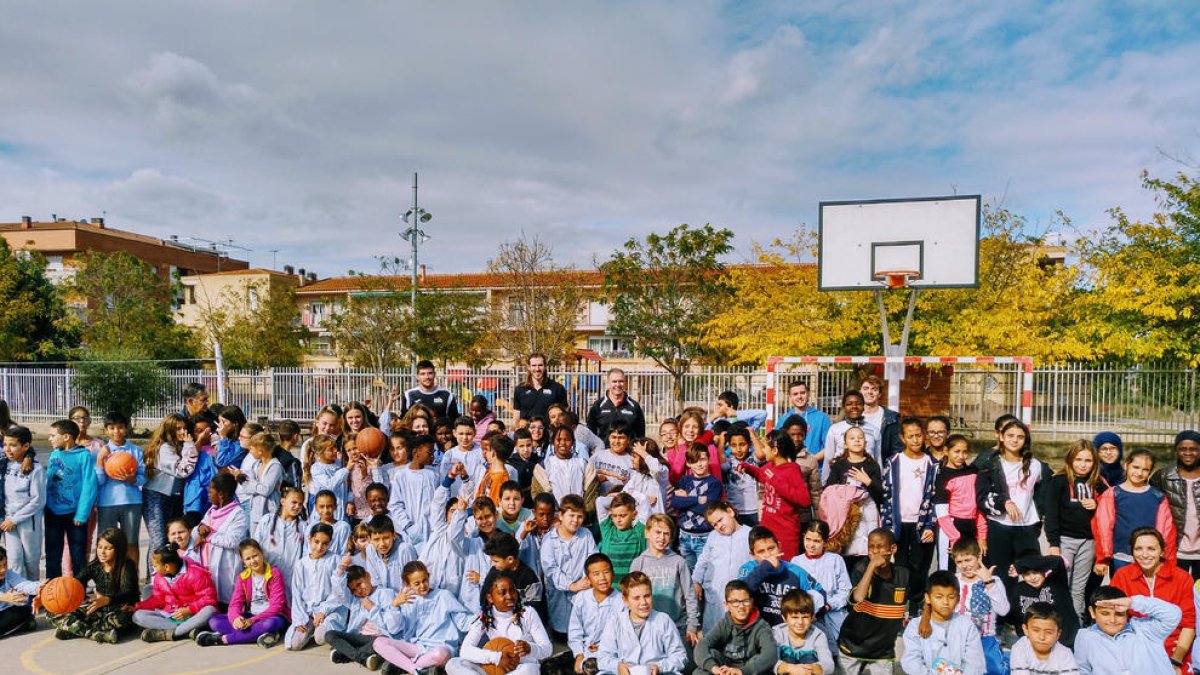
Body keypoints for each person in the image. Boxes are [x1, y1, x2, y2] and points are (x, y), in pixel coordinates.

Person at [976, 418, 1049, 618]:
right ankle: (1001, 620)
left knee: (1032, 574)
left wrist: (1038, 520)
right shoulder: (989, 464)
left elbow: (1043, 494)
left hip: (1026, 528)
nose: (1015, 440)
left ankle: (1029, 617)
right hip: (1000, 527)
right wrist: (1004, 503)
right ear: (1000, 436)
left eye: (1020, 437)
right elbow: (981, 498)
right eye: (1010, 436)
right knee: (1001, 576)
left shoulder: (1036, 466)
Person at [1111, 527, 1194, 670]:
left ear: (1161, 551)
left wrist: (1176, 661)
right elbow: (1115, 619)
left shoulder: (1182, 578)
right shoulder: (1122, 576)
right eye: (1138, 549)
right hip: (1135, 647)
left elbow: (1189, 623)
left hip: (1174, 648)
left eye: (1151, 549)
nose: (1144, 555)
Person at [1044, 439, 1105, 624]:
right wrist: (1054, 544)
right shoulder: (1059, 481)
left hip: (1088, 542)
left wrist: (1098, 504)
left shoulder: (1098, 483)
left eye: (1088, 460)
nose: (1083, 464)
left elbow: (1110, 509)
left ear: (1094, 462)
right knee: (1060, 584)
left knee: (1078, 588)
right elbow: (1051, 514)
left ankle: (1076, 625)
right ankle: (1056, 623)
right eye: (1078, 459)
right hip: (1064, 540)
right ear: (1070, 460)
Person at [880, 417, 936, 615]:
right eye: (910, 436)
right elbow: (886, 496)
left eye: (918, 435)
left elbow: (934, 496)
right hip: (899, 523)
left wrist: (930, 525)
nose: (915, 440)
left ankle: (915, 606)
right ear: (902, 438)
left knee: (919, 566)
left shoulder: (931, 463)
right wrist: (887, 523)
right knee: (900, 566)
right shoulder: (894, 462)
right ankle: (899, 607)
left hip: (921, 524)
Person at [374, 560, 470, 675]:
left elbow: (463, 622)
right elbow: (395, 629)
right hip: (417, 648)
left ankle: (405, 665)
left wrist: (481, 617)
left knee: (440, 654)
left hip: (441, 647)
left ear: (428, 577)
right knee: (378, 642)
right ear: (408, 585)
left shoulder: (443, 595)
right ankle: (415, 670)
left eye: (425, 580)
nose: (423, 585)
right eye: (417, 583)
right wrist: (395, 606)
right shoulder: (407, 600)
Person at [447, 571, 552, 675]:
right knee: (453, 663)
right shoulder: (485, 617)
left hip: (521, 667)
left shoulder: (527, 613)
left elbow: (547, 649)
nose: (510, 596)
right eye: (503, 592)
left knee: (530, 670)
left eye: (512, 590)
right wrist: (496, 657)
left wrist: (530, 648)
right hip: (494, 668)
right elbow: (465, 651)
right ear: (490, 598)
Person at [1093, 449, 1176, 577]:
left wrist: (1163, 557)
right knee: (1120, 594)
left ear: (1150, 471)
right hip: (1121, 556)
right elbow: (1103, 527)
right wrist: (1103, 558)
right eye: (1135, 467)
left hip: (1148, 558)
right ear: (1126, 465)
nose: (1139, 473)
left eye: (1145, 469)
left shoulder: (1158, 496)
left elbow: (1165, 530)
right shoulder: (1113, 494)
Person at [837, 528, 909, 675]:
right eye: (871, 547)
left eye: (880, 547)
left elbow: (923, 596)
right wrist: (871, 566)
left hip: (883, 650)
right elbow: (858, 598)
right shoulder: (861, 569)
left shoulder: (903, 575)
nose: (875, 552)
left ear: (892, 549)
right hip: (853, 646)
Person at [50, 527, 138, 643]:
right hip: (98, 608)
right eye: (100, 547)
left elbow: (129, 593)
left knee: (122, 619)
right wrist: (46, 595)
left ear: (118, 549)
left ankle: (74, 629)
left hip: (119, 610)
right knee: (54, 611)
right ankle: (97, 634)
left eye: (108, 548)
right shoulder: (95, 566)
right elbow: (74, 583)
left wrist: (107, 600)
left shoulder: (127, 566)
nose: (102, 552)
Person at [595, 571, 688, 675]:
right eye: (636, 598)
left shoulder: (663, 620)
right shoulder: (615, 621)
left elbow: (680, 656)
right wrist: (617, 666)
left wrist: (660, 667)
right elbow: (603, 657)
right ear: (625, 600)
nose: (643, 602)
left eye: (647, 596)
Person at [1073, 586, 1182, 674]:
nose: (1112, 620)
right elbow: (1083, 671)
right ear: (1092, 612)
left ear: (1127, 612)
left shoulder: (1145, 630)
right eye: (1105, 614)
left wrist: (1132, 602)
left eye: (1119, 614)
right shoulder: (1086, 637)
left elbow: (1173, 615)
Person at [630, 514, 702, 644]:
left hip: (676, 626)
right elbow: (633, 597)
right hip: (648, 626)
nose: (662, 538)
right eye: (657, 532)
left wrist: (692, 625)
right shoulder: (638, 563)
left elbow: (690, 595)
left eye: (666, 534)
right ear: (647, 533)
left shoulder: (678, 561)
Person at [739, 432, 810, 559]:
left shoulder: (792, 469)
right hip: (767, 528)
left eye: (765, 447)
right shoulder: (770, 466)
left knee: (785, 567)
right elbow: (762, 475)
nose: (762, 451)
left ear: (775, 450)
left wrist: (777, 482)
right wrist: (748, 468)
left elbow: (804, 500)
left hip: (785, 532)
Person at [738, 526, 826, 628]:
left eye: (771, 548)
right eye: (761, 552)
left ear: (779, 546)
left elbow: (820, 593)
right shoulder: (748, 569)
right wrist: (765, 567)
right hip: (758, 631)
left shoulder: (796, 571)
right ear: (752, 555)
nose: (768, 555)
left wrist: (812, 613)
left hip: (790, 632)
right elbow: (740, 594)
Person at [900, 570, 985, 675]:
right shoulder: (915, 626)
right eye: (939, 597)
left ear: (958, 598)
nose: (945, 602)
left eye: (951, 597)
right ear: (928, 598)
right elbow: (911, 662)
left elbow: (975, 663)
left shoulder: (967, 625)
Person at [44, 418, 99, 578]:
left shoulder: (84, 456)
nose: (50, 439)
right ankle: (51, 591)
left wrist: (82, 514)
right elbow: (48, 483)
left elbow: (90, 486)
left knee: (78, 556)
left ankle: (78, 592)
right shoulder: (54, 454)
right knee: (52, 555)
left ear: (66, 436)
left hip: (75, 515)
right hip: (53, 513)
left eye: (53, 435)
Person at [133, 542, 219, 642]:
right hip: (171, 615)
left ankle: (172, 633)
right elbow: (157, 599)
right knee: (137, 616)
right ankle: (187, 631)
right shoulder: (159, 577)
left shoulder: (196, 573)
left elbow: (210, 598)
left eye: (155, 566)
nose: (153, 568)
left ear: (167, 567)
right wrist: (136, 607)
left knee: (210, 610)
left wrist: (189, 610)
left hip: (194, 614)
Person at [792, 520, 851, 659]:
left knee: (834, 655)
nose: (811, 545)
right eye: (808, 539)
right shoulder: (796, 562)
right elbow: (794, 593)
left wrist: (829, 605)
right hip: (806, 617)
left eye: (817, 541)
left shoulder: (835, 560)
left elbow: (845, 590)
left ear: (825, 541)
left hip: (832, 615)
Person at [693, 579, 778, 675]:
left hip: (748, 670)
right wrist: (714, 668)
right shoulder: (724, 623)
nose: (741, 606)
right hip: (725, 668)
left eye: (745, 601)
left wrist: (742, 671)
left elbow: (771, 653)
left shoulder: (761, 626)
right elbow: (702, 645)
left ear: (751, 602)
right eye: (735, 602)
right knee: (700, 670)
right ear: (727, 605)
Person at [285, 523, 348, 651]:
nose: (319, 547)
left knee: (321, 638)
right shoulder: (301, 564)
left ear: (330, 543)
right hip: (308, 612)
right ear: (309, 539)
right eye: (316, 541)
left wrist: (323, 612)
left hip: (330, 611)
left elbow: (338, 592)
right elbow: (297, 594)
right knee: (295, 644)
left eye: (325, 543)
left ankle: (322, 629)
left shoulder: (335, 560)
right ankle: (311, 626)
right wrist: (299, 620)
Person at [143, 414, 198, 559]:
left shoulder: (177, 445)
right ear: (169, 429)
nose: (183, 432)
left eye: (185, 428)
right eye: (178, 428)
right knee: (158, 540)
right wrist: (189, 445)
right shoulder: (165, 448)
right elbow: (182, 470)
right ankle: (154, 577)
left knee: (170, 539)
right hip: (156, 496)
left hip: (173, 496)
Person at [541, 494, 597, 635]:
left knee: (583, 632)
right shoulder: (549, 540)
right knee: (562, 633)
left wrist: (585, 581)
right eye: (571, 515)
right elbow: (551, 570)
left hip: (583, 592)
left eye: (579, 516)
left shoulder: (586, 535)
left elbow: (593, 559)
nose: (575, 520)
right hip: (559, 597)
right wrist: (571, 586)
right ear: (560, 515)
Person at [694, 502, 753, 633]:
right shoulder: (713, 537)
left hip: (739, 599)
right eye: (714, 524)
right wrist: (696, 580)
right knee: (714, 635)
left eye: (720, 520)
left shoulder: (750, 534)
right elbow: (703, 561)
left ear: (730, 512)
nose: (719, 526)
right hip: (715, 597)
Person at [326, 565, 400, 669]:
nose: (358, 591)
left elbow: (391, 624)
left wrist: (372, 608)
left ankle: (347, 655)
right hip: (360, 638)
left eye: (359, 584)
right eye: (354, 590)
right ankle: (362, 658)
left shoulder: (386, 594)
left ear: (368, 576)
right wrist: (340, 570)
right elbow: (340, 594)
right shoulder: (356, 600)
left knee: (379, 645)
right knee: (330, 635)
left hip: (380, 638)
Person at [95, 411, 144, 567]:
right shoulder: (102, 451)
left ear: (126, 428)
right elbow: (99, 481)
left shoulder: (136, 451)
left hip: (132, 502)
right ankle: (107, 582)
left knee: (131, 542)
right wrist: (100, 460)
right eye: (111, 428)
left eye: (120, 427)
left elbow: (144, 478)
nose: (116, 431)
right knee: (106, 545)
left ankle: (131, 583)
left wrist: (133, 479)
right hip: (107, 503)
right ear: (106, 430)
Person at [1150, 430, 1200, 578]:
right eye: (1182, 449)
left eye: (1193, 449)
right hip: (1175, 550)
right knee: (1175, 595)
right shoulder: (1163, 476)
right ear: (1176, 451)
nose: (1188, 453)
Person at [933, 433, 986, 571]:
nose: (961, 456)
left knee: (974, 567)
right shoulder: (942, 475)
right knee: (947, 568)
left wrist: (982, 535)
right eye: (956, 451)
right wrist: (955, 538)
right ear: (946, 451)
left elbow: (979, 506)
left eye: (965, 452)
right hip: (950, 528)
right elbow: (941, 511)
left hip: (972, 526)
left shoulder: (973, 472)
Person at [194, 473, 249, 604]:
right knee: (206, 601)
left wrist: (208, 535)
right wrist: (199, 528)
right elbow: (197, 531)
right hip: (205, 565)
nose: (208, 494)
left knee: (223, 603)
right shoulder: (212, 511)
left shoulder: (238, 514)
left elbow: (233, 541)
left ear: (221, 494)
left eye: (210, 491)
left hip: (225, 568)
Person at [671, 443, 724, 571]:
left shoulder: (714, 483)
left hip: (704, 536)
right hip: (684, 535)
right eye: (694, 461)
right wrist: (698, 499)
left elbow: (706, 510)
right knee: (688, 572)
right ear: (689, 463)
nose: (699, 464)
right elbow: (675, 502)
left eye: (702, 459)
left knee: (705, 572)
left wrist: (686, 498)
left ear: (709, 459)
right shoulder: (684, 480)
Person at [569, 553, 624, 675]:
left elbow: (624, 634)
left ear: (613, 574)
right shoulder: (582, 598)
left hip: (611, 653)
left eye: (606, 572)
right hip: (584, 651)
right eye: (596, 574)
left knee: (591, 668)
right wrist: (578, 654)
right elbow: (575, 631)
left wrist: (604, 647)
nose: (602, 578)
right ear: (588, 579)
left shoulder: (621, 601)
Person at [2, 426, 44, 580]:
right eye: (5, 444)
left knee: (31, 561)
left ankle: (34, 597)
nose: (7, 449)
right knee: (14, 561)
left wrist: (15, 519)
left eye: (12, 445)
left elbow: (38, 501)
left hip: (28, 523)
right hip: (8, 521)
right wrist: (10, 519)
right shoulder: (3, 463)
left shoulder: (36, 469)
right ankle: (19, 599)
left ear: (26, 446)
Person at [254, 487, 307, 601]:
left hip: (290, 579)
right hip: (266, 575)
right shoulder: (267, 520)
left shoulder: (303, 526)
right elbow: (255, 547)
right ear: (283, 501)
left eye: (300, 504)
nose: (297, 506)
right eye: (294, 502)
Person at [388, 434, 439, 548]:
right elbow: (395, 505)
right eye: (429, 453)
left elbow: (439, 501)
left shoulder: (434, 474)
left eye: (433, 453)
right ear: (416, 452)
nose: (432, 457)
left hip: (432, 529)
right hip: (410, 532)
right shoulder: (401, 475)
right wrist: (408, 526)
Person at [821, 391, 881, 481]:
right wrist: (824, 482)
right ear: (844, 407)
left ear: (863, 406)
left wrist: (880, 481)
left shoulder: (874, 430)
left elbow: (878, 457)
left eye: (859, 404)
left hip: (868, 479)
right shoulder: (835, 429)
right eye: (849, 404)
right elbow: (828, 458)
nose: (854, 407)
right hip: (841, 479)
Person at [774, 588, 835, 675]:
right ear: (784, 618)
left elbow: (829, 665)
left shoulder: (818, 635)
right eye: (794, 617)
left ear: (812, 617)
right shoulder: (776, 633)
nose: (800, 622)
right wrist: (790, 668)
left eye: (805, 617)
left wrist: (811, 669)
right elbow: (770, 661)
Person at [1009, 602, 1078, 675]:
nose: (1042, 637)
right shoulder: (1019, 648)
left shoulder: (1065, 654)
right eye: (1036, 630)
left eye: (1049, 632)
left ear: (1058, 634)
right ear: (1026, 629)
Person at [587, 368, 647, 443]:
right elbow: (590, 433)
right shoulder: (598, 406)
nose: (618, 384)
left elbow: (641, 435)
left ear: (625, 383)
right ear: (608, 383)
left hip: (628, 452)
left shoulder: (634, 406)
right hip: (604, 451)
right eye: (614, 381)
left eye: (621, 381)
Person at [776, 380, 833, 458]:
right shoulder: (783, 419)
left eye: (802, 393)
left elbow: (829, 446)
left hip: (816, 467)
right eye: (795, 394)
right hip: (791, 467)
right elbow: (777, 445)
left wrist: (812, 461)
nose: (799, 396)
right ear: (790, 397)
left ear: (808, 394)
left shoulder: (822, 417)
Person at [598, 491, 645, 579]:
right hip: (611, 589)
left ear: (634, 515)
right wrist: (618, 496)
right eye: (614, 516)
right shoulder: (608, 530)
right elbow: (600, 501)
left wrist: (628, 494)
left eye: (623, 515)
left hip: (632, 588)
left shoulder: (639, 531)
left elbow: (644, 499)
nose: (618, 519)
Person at [0, 544, 43, 637]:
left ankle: (21, 625)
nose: (3, 569)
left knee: (27, 609)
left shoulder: (9, 574)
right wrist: (3, 597)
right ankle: (22, 626)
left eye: (5, 564)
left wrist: (39, 588)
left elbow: (23, 584)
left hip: (4, 613)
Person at [513, 354, 569, 424]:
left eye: (540, 365)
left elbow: (564, 414)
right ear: (529, 367)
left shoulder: (557, 388)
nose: (537, 369)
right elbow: (516, 416)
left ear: (545, 366)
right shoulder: (520, 389)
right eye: (534, 365)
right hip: (527, 432)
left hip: (549, 432)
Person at [859, 376, 903, 463]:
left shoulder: (891, 418)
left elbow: (897, 450)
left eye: (874, 389)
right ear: (860, 391)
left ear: (879, 394)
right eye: (866, 388)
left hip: (882, 471)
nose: (869, 392)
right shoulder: (851, 418)